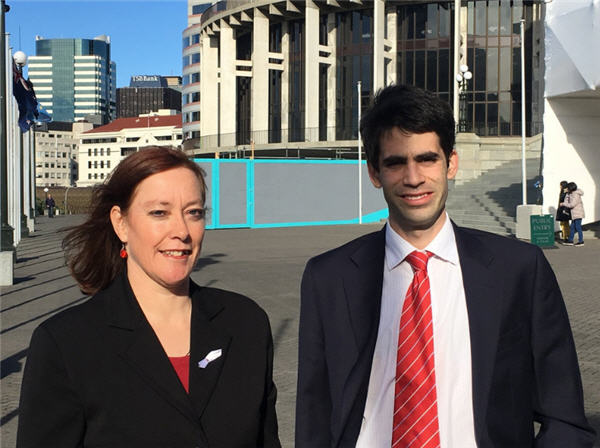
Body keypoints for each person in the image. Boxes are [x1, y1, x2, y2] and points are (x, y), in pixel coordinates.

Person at [295, 85, 595, 447]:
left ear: (451, 163)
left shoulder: (518, 270)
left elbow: (564, 416)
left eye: (426, 159)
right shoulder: (329, 278)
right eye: (395, 163)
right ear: (374, 172)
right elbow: (314, 415)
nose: (413, 178)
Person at [17, 146, 280, 448]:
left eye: (193, 213)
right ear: (121, 223)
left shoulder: (245, 323)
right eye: (159, 213)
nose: (181, 230)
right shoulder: (66, 342)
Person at [561, 181, 585, 247]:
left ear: (571, 188)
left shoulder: (576, 194)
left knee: (578, 227)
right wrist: (566, 194)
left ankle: (581, 241)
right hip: (574, 214)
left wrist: (563, 204)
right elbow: (567, 199)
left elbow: (572, 205)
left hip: (578, 214)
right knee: (572, 227)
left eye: (568, 188)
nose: (567, 189)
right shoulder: (570, 193)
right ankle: (570, 241)